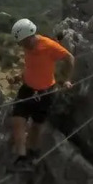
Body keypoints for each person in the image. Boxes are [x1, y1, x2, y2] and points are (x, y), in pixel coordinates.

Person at [8, 18, 74, 170]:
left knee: (36, 127)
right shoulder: (28, 46)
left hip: (45, 93)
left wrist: (66, 80)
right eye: (20, 43)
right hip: (27, 90)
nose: (21, 46)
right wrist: (18, 77)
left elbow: (69, 58)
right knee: (18, 122)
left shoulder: (49, 45)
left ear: (30, 36)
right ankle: (21, 158)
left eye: (22, 42)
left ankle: (32, 153)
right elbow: (32, 67)